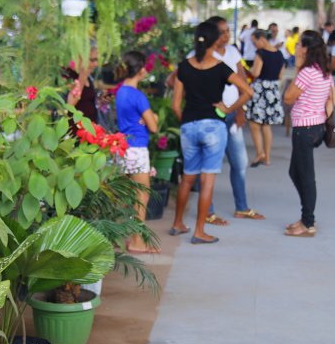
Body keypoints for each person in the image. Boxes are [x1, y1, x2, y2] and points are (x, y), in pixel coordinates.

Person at [169, 21, 254, 244]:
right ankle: (199, 231)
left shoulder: (184, 67)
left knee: (187, 178)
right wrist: (230, 108)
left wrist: (187, 122)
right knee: (207, 180)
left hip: (189, 126)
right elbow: (247, 91)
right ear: (215, 41)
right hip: (214, 127)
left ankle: (177, 223)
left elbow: (176, 105)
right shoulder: (220, 67)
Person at [283, 30, 335, 237]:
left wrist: (297, 67)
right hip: (316, 127)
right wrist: (323, 114)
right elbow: (333, 95)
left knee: (306, 176)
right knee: (295, 172)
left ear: (306, 49)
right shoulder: (323, 70)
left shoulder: (306, 72)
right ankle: (306, 216)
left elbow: (288, 97)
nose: (295, 47)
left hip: (304, 129)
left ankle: (308, 222)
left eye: (298, 44)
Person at [114, 51, 160, 254]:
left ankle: (119, 236)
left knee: (125, 195)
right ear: (141, 70)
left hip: (122, 147)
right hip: (138, 149)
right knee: (142, 195)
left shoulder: (121, 92)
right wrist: (154, 116)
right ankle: (137, 241)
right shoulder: (139, 97)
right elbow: (154, 127)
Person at [246, 29, 286, 167]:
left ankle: (259, 153)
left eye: (254, 42)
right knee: (266, 124)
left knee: (254, 123)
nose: (254, 45)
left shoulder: (261, 53)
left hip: (260, 89)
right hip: (273, 89)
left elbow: (256, 72)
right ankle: (267, 158)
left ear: (262, 38)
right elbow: (281, 76)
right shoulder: (280, 54)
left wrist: (249, 71)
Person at [65, 46, 100, 122]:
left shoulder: (88, 76)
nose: (96, 64)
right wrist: (82, 77)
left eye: (97, 60)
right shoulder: (68, 77)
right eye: (92, 60)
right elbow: (69, 106)